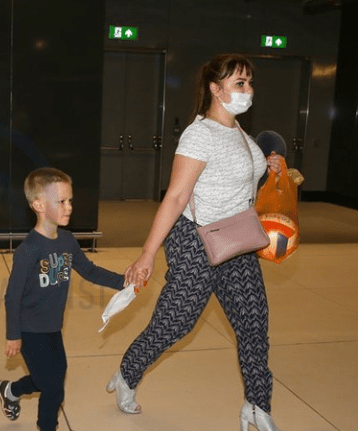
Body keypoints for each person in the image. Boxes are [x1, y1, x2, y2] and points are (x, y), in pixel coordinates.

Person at [107, 54, 285, 431]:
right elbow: (175, 197)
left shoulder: (241, 133)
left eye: (250, 82)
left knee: (254, 325)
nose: (249, 90)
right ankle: (127, 373)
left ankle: (257, 404)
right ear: (215, 89)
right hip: (196, 240)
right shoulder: (200, 134)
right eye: (240, 83)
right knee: (175, 323)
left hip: (237, 239)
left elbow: (235, 183)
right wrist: (147, 254)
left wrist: (266, 169)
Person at [0, 167, 126, 431]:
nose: (69, 207)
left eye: (70, 200)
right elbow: (13, 296)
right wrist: (13, 335)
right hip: (29, 328)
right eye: (62, 201)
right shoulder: (29, 250)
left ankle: (11, 390)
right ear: (38, 205)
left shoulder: (67, 241)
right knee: (53, 388)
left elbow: (90, 271)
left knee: (51, 378)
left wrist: (124, 282)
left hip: (53, 327)